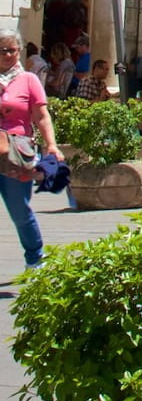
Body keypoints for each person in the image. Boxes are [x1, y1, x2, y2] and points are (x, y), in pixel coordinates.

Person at [0, 27, 63, 267]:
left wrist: (51, 145)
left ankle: (35, 257)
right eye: (3, 51)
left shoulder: (28, 80)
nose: (8, 55)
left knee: (19, 209)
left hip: (17, 152)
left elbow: (42, 116)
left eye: (12, 50)